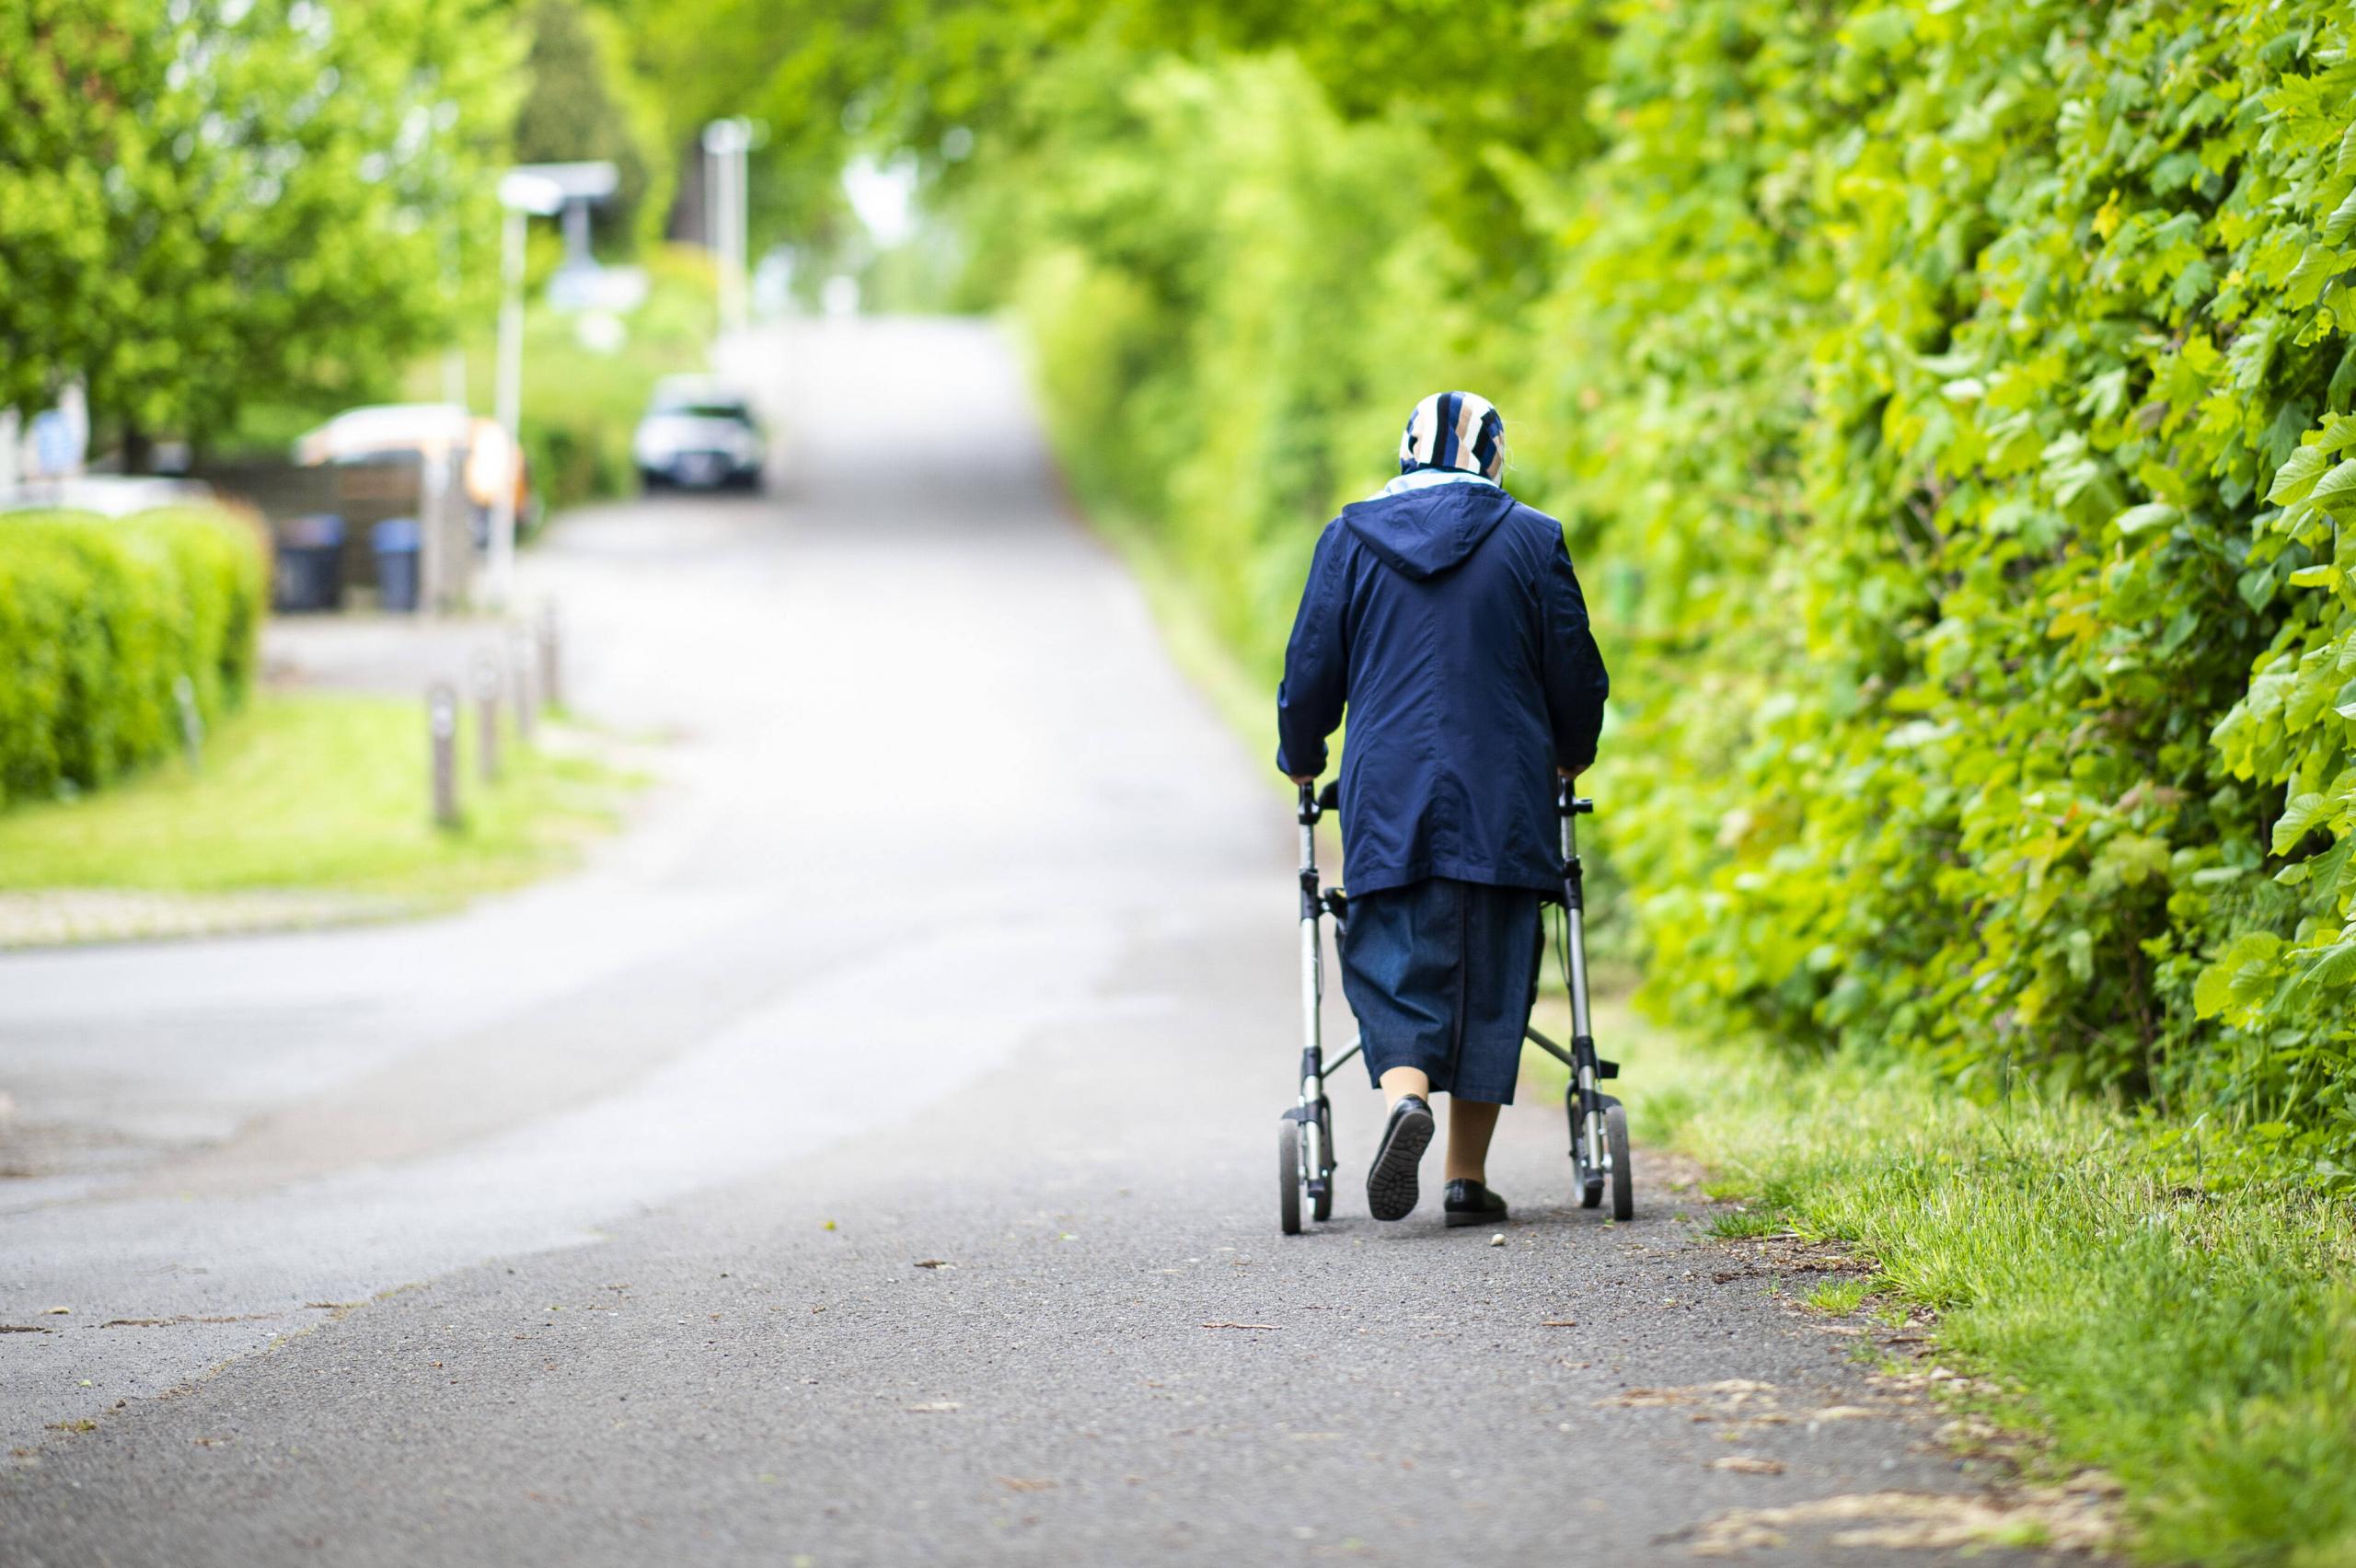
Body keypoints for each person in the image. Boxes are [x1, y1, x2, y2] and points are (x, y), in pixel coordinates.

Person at [1276, 391, 1610, 1226]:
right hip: (1505, 793)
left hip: (1388, 794)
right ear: (1493, 459)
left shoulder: (1349, 539)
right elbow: (1575, 669)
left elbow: (1312, 665)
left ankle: (1404, 1099)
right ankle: (1465, 1177)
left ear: (1405, 455)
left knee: (1389, 952)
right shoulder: (1533, 539)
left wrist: (1304, 755)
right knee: (1495, 972)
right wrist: (1574, 748)